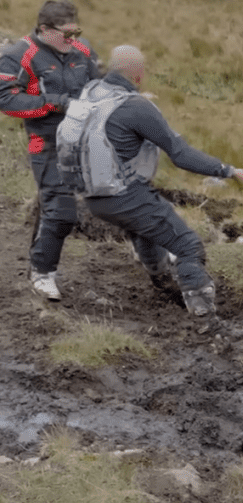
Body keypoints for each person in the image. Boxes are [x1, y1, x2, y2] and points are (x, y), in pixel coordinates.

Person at [69, 45, 243, 319]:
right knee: (187, 246)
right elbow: (180, 154)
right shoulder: (137, 107)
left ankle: (163, 284)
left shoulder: (92, 93)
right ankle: (205, 317)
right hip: (123, 193)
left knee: (145, 227)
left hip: (92, 194)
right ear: (137, 73)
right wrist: (228, 170)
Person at [0, 1, 100, 301]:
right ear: (45, 30)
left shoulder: (83, 51)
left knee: (121, 196)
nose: (74, 40)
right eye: (67, 35)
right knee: (61, 211)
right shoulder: (19, 54)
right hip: (45, 141)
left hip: (86, 140)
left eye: (76, 33)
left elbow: (100, 85)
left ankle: (152, 256)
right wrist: (57, 103)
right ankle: (42, 274)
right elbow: (5, 99)